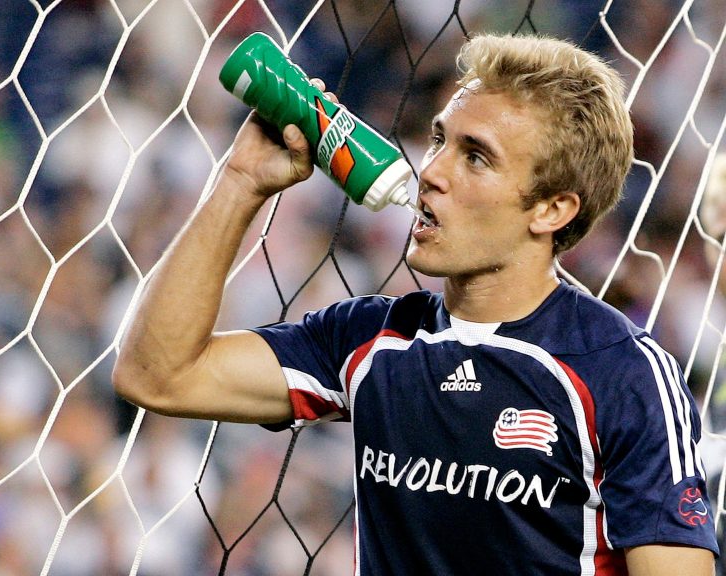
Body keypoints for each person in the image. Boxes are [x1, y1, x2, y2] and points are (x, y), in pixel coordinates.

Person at [113, 32, 719, 575]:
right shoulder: (373, 340)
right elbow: (158, 375)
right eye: (439, 140)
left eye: (475, 156)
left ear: (551, 209)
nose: (432, 170)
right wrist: (240, 183)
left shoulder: (624, 375)